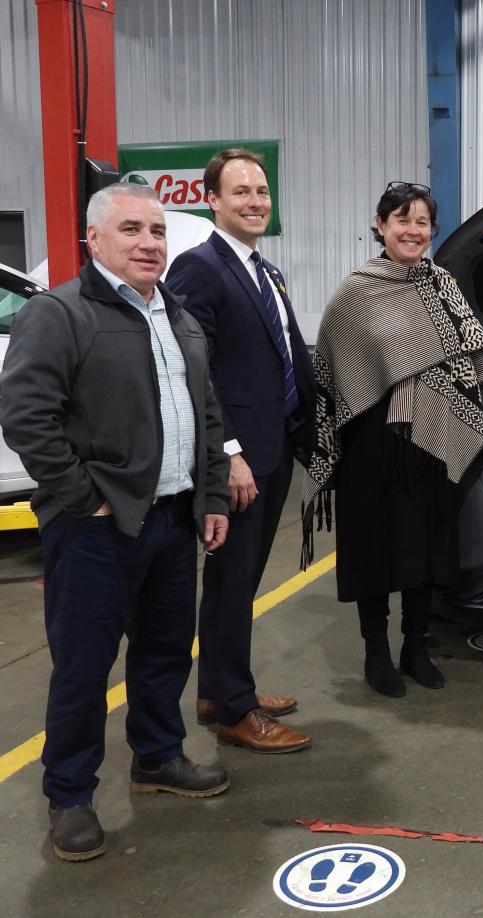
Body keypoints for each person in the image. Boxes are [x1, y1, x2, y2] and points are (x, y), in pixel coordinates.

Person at [0, 183, 231, 861]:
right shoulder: (60, 313)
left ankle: (157, 758)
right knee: (83, 666)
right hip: (96, 528)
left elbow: (207, 414)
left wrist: (211, 496)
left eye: (157, 231)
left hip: (172, 518)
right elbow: (25, 415)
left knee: (164, 651)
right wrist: (80, 496)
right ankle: (69, 794)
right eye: (131, 229)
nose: (149, 242)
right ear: (93, 241)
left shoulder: (177, 316)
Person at [302, 183, 483, 697]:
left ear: (433, 230)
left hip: (434, 435)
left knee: (426, 547)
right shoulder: (357, 290)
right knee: (374, 547)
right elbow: (331, 368)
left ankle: (415, 645)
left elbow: (467, 359)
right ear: (381, 226)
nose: (413, 230)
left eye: (423, 222)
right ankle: (375, 652)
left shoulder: (442, 286)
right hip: (372, 439)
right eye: (402, 220)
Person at [166, 148, 313, 754]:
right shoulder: (200, 267)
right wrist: (225, 451)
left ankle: (216, 690)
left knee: (240, 579)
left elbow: (282, 355)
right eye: (241, 192)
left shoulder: (262, 269)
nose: (255, 200)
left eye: (261, 190)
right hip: (239, 458)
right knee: (231, 583)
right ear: (213, 200)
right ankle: (234, 709)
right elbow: (190, 368)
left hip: (272, 447)